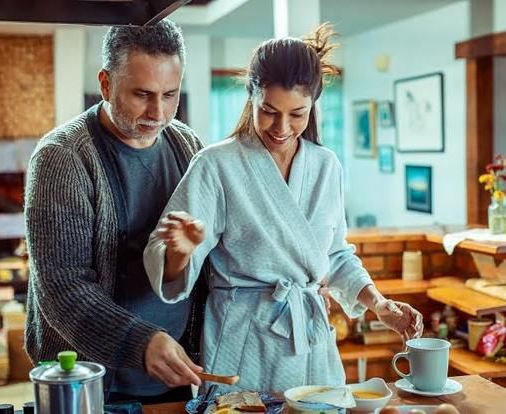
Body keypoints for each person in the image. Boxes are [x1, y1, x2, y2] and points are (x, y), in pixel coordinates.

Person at [144, 24, 423, 392]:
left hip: (311, 339)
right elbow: (170, 270)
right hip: (243, 342)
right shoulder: (216, 165)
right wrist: (180, 253)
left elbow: (335, 255)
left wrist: (378, 303)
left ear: (313, 105)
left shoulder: (326, 166)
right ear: (251, 96)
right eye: (269, 111)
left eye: (297, 114)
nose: (282, 127)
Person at [24, 20, 207, 403]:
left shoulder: (187, 144)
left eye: (170, 94)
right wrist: (140, 342)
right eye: (142, 94)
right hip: (87, 382)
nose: (158, 112)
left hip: (175, 370)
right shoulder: (62, 157)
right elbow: (62, 286)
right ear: (105, 83)